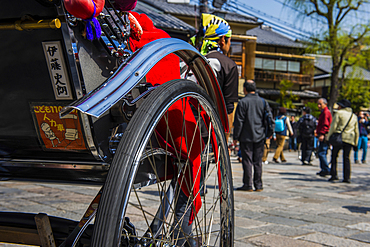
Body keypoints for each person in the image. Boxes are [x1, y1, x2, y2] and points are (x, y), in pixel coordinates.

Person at [193, 14, 239, 142]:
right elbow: (228, 107)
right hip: (208, 131)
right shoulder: (228, 65)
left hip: (181, 123)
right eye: (230, 40)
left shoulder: (190, 57)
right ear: (223, 39)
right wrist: (226, 140)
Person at [233, 80, 273, 192]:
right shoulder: (263, 101)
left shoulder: (243, 102)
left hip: (246, 136)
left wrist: (236, 136)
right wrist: (269, 133)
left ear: (245, 89)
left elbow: (239, 121)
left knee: (247, 160)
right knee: (257, 161)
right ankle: (258, 184)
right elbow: (269, 118)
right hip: (260, 135)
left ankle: (248, 184)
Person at [327, 99, 359, 183]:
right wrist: (356, 143)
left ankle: (334, 174)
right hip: (350, 138)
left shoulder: (339, 113)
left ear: (342, 106)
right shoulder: (354, 116)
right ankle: (347, 177)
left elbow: (333, 126)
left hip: (339, 138)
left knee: (334, 156)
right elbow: (356, 131)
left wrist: (328, 137)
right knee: (346, 158)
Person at [316, 98, 332, 177]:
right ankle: (323, 169)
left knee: (321, 152)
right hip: (322, 134)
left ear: (325, 104)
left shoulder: (326, 112)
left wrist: (322, 134)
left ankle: (326, 169)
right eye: (318, 104)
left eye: (320, 104)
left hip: (324, 135)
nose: (319, 106)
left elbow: (325, 125)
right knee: (322, 152)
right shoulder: (323, 112)